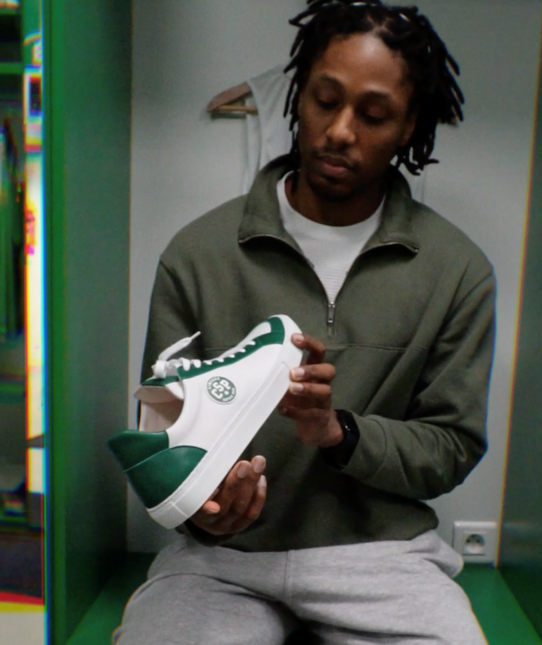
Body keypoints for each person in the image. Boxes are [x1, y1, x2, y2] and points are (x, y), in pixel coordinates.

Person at [114, 1, 495, 643]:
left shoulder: (456, 270)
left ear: (409, 126)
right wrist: (204, 509)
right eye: (325, 100)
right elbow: (161, 432)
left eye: (373, 115)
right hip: (220, 561)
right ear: (298, 96)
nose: (340, 131)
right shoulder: (197, 253)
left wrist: (338, 433)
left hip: (382, 556)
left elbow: (451, 447)